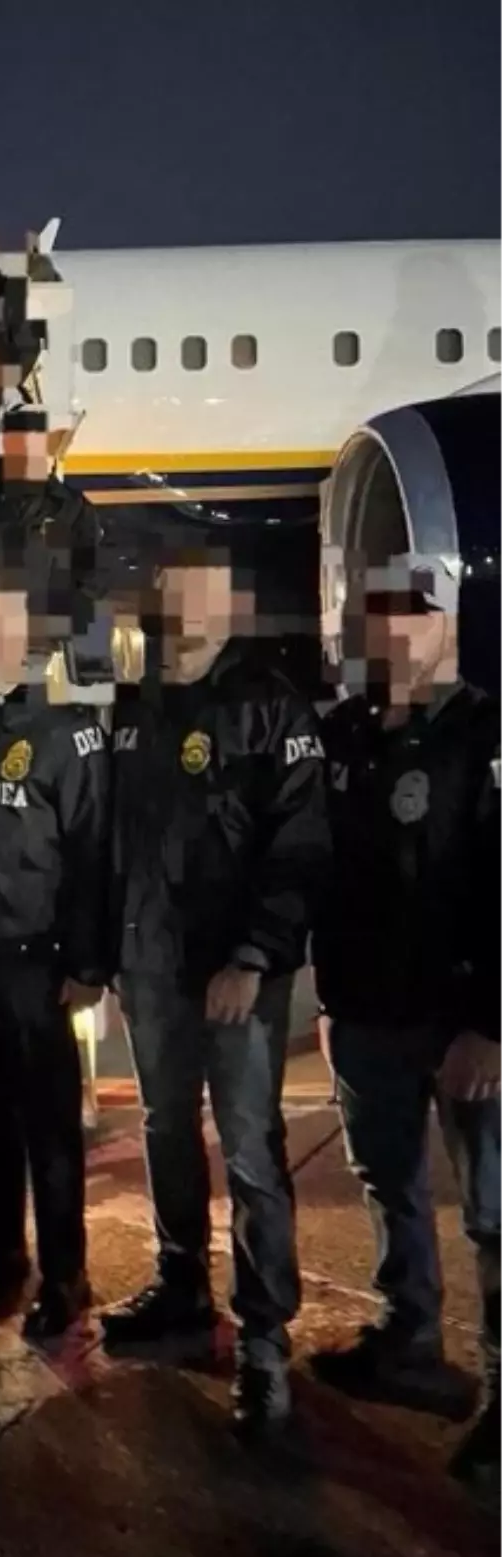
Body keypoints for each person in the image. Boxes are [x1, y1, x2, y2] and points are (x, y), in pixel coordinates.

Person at [98, 532, 330, 1436]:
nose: (187, 608)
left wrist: (256, 956)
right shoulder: (136, 704)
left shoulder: (272, 705)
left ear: (231, 605)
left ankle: (265, 1338)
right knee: (165, 1128)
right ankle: (181, 1284)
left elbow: (299, 843)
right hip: (152, 968)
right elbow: (116, 842)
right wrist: (115, 955)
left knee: (249, 1149)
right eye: (174, 591)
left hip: (236, 977)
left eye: (204, 592)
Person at [309, 552, 502, 1491]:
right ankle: (407, 1336)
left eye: (415, 613)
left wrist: (494, 1025)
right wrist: (331, 1000)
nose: (393, 630)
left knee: (496, 1212)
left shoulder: (486, 732)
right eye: (378, 613)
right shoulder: (344, 734)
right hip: (367, 1014)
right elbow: (327, 877)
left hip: (462, 1022)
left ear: (449, 625)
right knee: (388, 1186)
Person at [0, 562, 109, 1338]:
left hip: (34, 965)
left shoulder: (68, 735)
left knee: (49, 1132)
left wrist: (88, 965)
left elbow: (94, 854)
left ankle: (66, 1277)